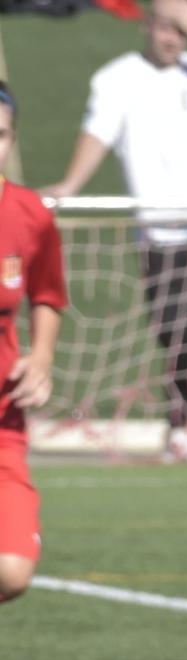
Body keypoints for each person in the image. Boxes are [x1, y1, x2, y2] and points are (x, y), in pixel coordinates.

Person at [42, 0, 187, 463]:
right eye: (165, 28)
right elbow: (98, 133)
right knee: (168, 332)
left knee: (184, 331)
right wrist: (71, 185)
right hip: (157, 230)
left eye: (180, 31)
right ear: (148, 25)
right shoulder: (117, 79)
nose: (172, 38)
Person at [0, 81, 67, 605]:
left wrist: (40, 357)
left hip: (3, 423)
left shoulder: (29, 214)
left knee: (12, 572)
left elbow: (47, 293)